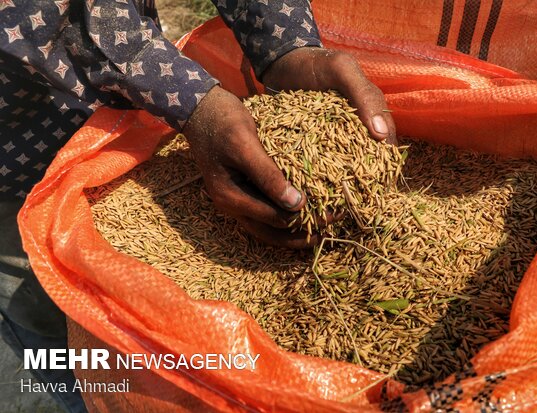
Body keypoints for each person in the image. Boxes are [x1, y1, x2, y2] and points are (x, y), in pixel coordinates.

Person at [0, 0, 396, 411]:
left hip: (133, 103)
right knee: (37, 297)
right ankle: (78, 388)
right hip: (19, 144)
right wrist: (191, 100)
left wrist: (283, 42)